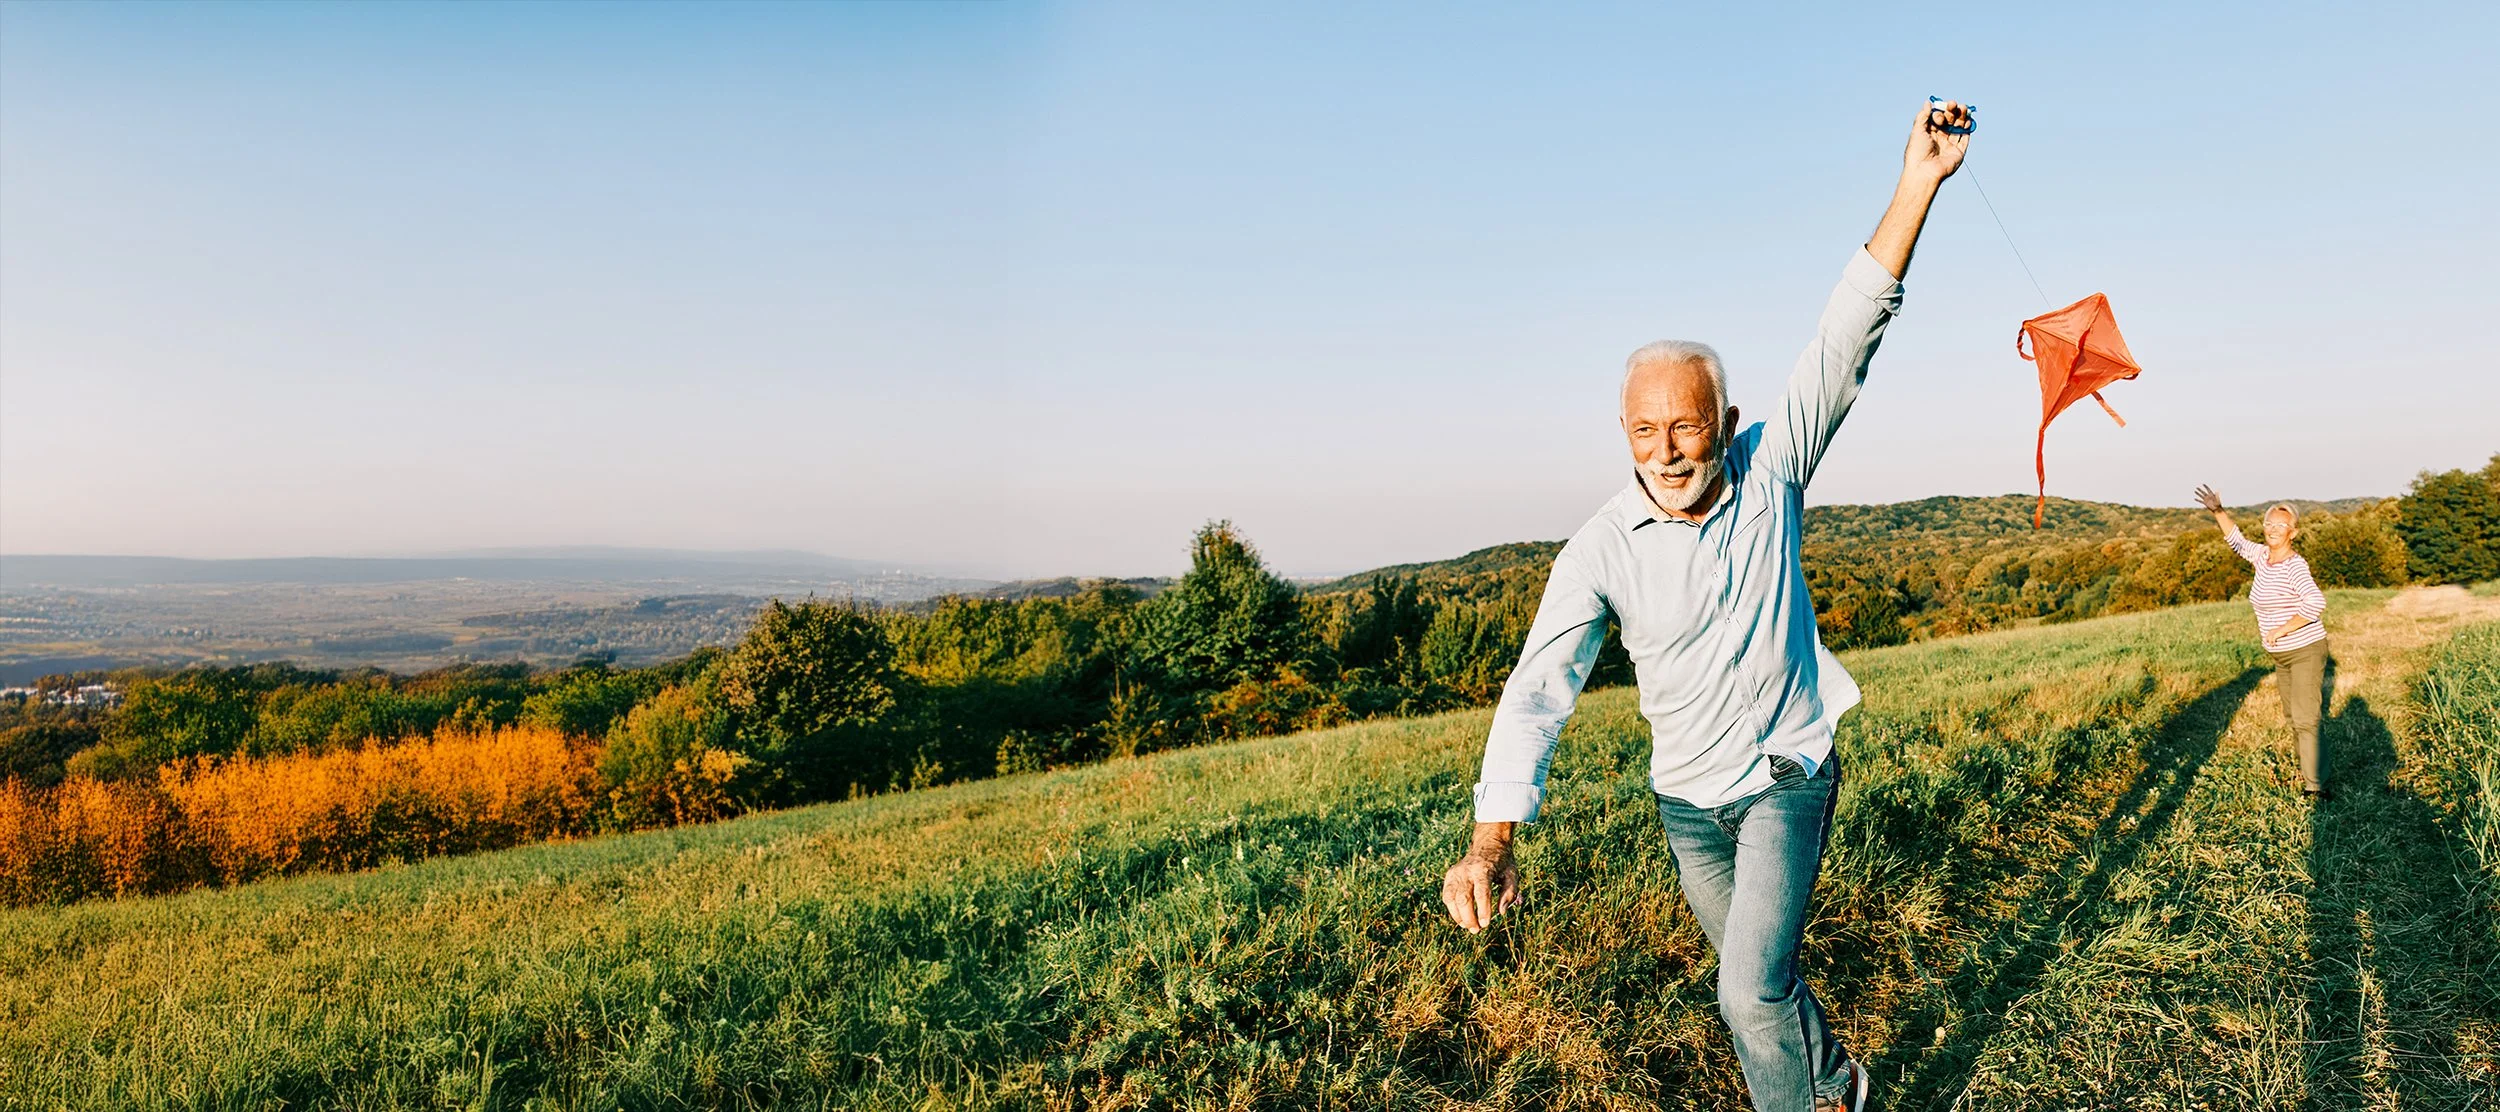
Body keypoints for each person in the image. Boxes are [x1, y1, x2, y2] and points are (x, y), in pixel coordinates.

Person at [1437, 100, 1973, 1112]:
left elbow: (1848, 331)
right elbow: (1539, 686)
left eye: (1687, 425)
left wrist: (1918, 181)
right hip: (1688, 805)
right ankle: (1837, 1083)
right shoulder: (1598, 547)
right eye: (1645, 430)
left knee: (1744, 990)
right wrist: (1492, 838)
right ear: (1623, 433)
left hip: (1784, 775)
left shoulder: (1772, 467)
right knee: (1762, 982)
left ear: (1725, 422)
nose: (1668, 449)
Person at [2193, 484, 2331, 798]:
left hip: (2305, 650)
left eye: (2280, 526)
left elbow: (2315, 603)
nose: (2272, 530)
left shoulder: (2295, 566)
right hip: (2281, 656)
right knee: (2292, 717)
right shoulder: (2262, 557)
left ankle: (2317, 787)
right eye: (2269, 524)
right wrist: (2218, 510)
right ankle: (2308, 771)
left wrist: (2283, 629)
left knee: (2306, 718)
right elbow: (2237, 542)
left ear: (2293, 532)